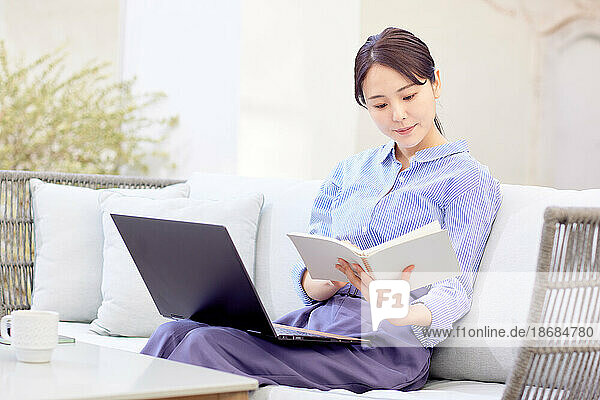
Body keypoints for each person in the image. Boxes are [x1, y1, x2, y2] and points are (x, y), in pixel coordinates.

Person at [141, 27, 502, 393]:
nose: (398, 114)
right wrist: (329, 278)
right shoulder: (349, 173)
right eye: (379, 104)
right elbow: (308, 281)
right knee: (173, 332)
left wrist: (402, 312)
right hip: (321, 325)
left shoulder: (466, 179)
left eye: (409, 95)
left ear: (435, 84)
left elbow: (454, 289)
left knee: (206, 347)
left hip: (388, 347)